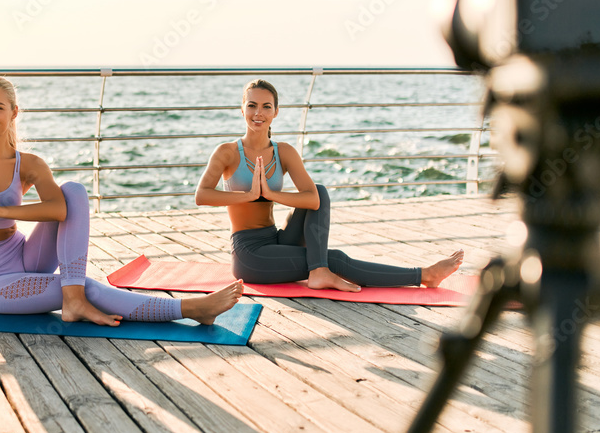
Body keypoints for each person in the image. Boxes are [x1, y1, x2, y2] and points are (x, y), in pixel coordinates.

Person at [0, 75, 243, 326]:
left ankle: (73, 295)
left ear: (14, 112)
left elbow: (61, 209)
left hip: (25, 256)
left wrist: (3, 210)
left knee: (74, 190)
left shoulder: (28, 164)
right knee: (86, 288)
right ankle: (188, 309)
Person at [195, 78, 463, 292]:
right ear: (242, 109)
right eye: (252, 105)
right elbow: (201, 195)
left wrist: (272, 194)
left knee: (320, 190)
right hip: (249, 254)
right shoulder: (228, 152)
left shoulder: (284, 152)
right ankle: (424, 275)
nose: (258, 113)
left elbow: (313, 200)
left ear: (276, 112)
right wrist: (250, 195)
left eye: (266, 106)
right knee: (333, 259)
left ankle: (319, 269)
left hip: (277, 238)